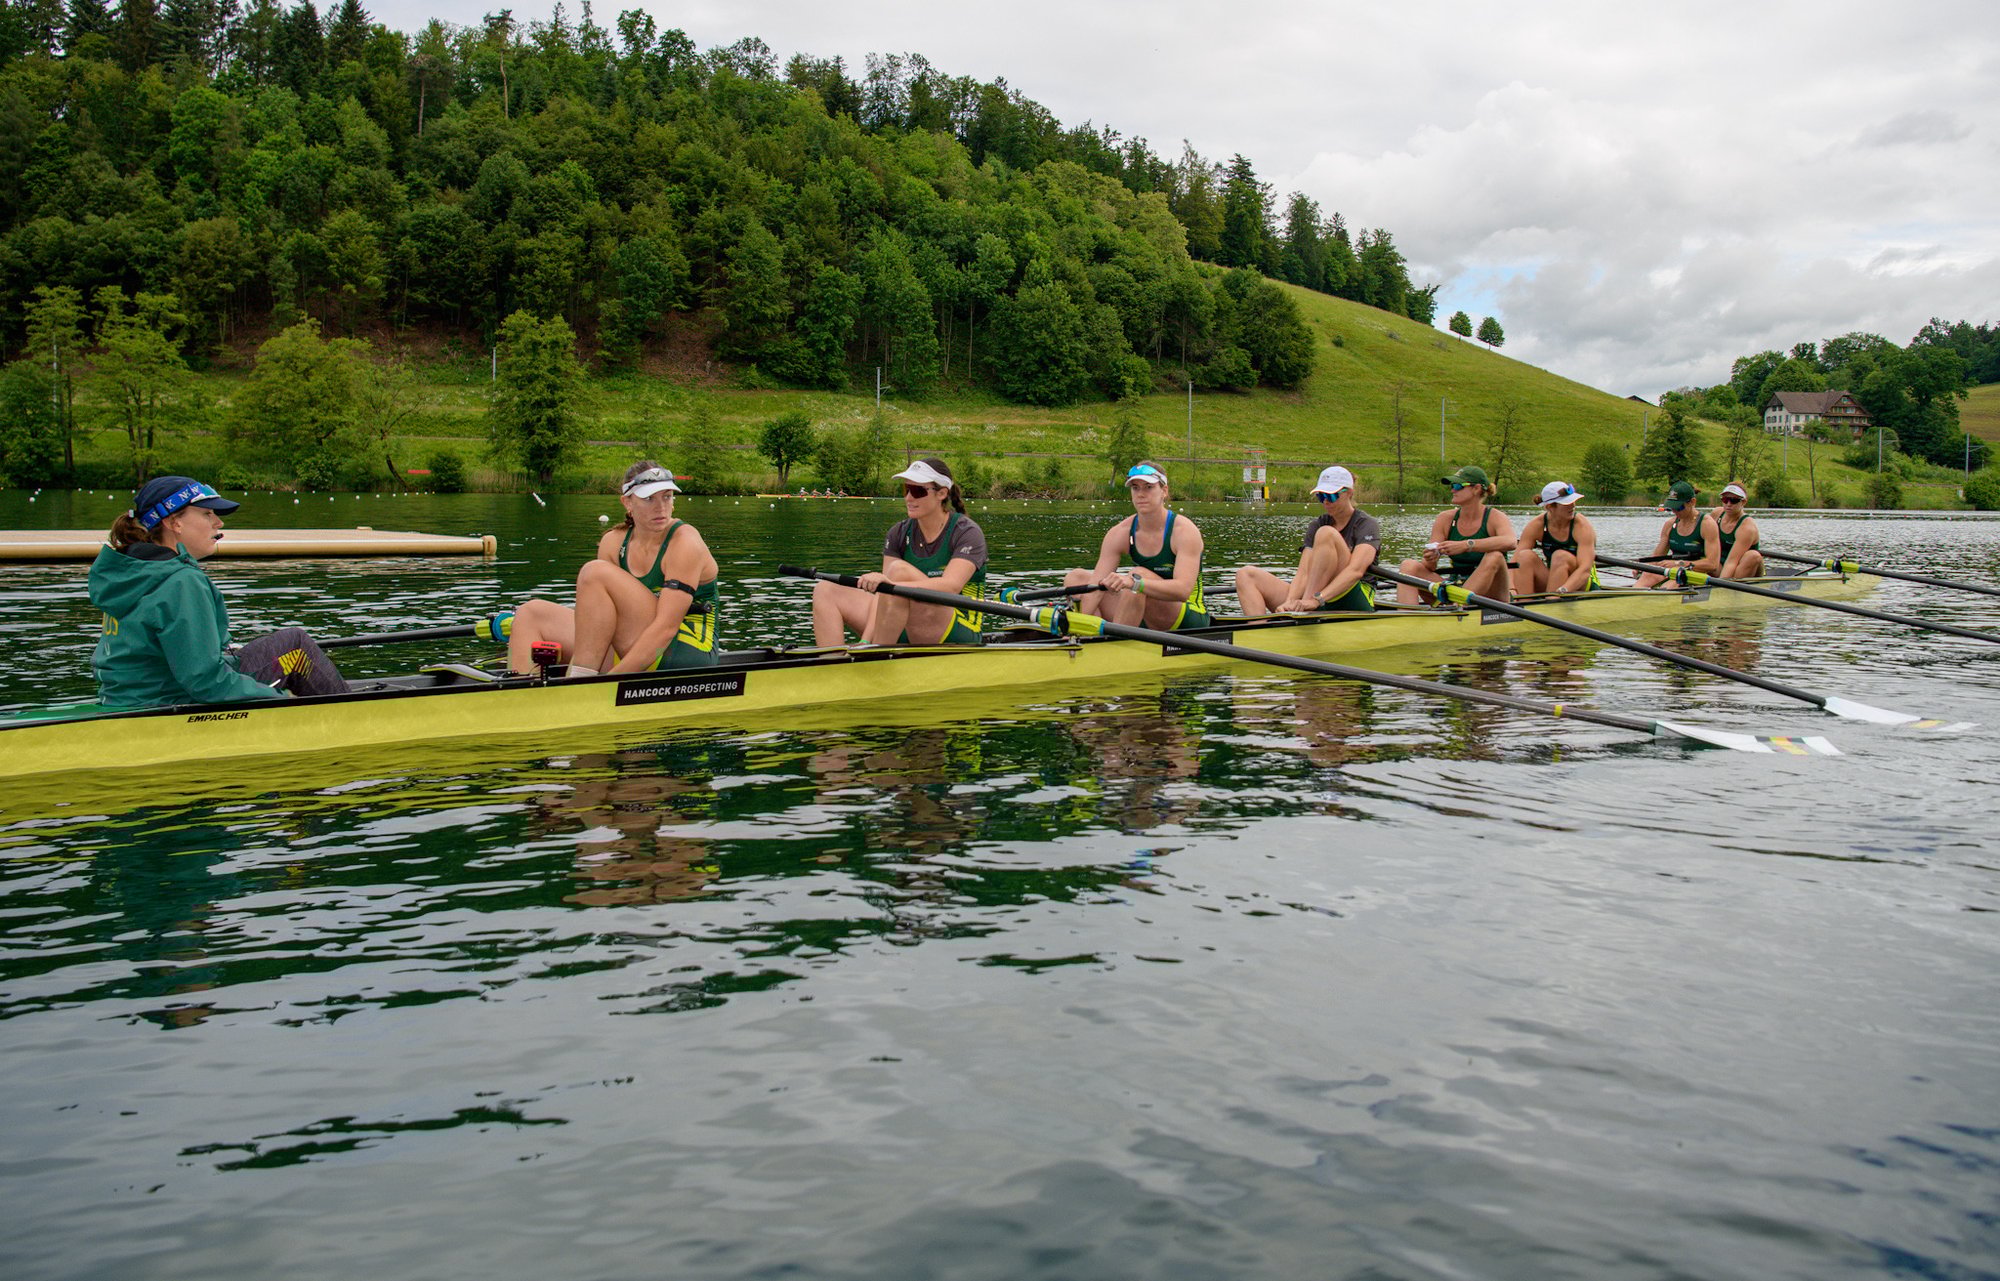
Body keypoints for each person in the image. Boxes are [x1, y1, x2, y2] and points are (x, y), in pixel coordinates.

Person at [88, 475, 351, 707]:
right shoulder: (181, 581)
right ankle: (349, 718)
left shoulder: (130, 572)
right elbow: (205, 681)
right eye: (207, 514)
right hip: (173, 700)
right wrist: (281, 699)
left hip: (126, 698)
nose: (218, 523)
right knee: (296, 645)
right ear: (174, 523)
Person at [505, 461, 719, 675]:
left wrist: (609, 682)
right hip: (632, 644)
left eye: (667, 496)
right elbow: (601, 622)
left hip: (686, 651)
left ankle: (581, 686)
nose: (661, 507)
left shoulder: (685, 542)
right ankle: (519, 693)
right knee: (530, 614)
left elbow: (665, 629)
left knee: (594, 573)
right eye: (648, 498)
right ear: (627, 502)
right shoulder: (613, 543)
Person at [811, 457, 988, 647]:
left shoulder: (967, 532)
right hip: (900, 620)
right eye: (906, 490)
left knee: (898, 572)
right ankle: (833, 662)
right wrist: (865, 639)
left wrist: (892, 584)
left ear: (942, 493)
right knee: (826, 589)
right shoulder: (898, 532)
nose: (909, 498)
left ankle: (877, 659)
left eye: (918, 491)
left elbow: (951, 586)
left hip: (957, 628)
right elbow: (884, 593)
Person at [1062, 462, 1210, 629]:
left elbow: (1183, 591)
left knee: (1137, 577)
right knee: (1076, 579)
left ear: (1164, 491)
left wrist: (1134, 583)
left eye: (1148, 487)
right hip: (1142, 607)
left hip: (1188, 617)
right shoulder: (1119, 532)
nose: (1141, 494)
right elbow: (1096, 587)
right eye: (1135, 488)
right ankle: (1085, 635)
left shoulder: (1184, 531)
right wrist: (1078, 623)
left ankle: (1117, 645)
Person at [1235, 465, 1380, 613]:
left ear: (1349, 492)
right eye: (1321, 496)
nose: (1326, 502)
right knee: (1246, 575)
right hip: (1316, 596)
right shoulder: (1317, 524)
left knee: (1326, 534)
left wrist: (1316, 600)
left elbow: (1355, 572)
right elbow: (1304, 572)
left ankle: (1307, 608)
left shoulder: (1366, 525)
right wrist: (1290, 601)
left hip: (1352, 596)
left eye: (1331, 496)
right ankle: (1260, 630)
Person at [1397, 465, 1516, 604]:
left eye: (1458, 486)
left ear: (1476, 489)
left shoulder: (1495, 517)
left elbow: (1511, 542)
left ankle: (1458, 607)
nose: (1453, 490)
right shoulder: (1445, 519)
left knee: (1494, 556)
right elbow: (1429, 568)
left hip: (1493, 594)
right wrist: (1431, 558)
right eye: (1452, 485)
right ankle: (1407, 614)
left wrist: (1467, 545)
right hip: (1456, 588)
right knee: (1408, 566)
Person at [1512, 480, 1600, 595]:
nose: (1573, 505)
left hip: (1581, 584)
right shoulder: (1537, 525)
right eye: (1566, 503)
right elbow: (1513, 564)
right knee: (1524, 556)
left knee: (1560, 556)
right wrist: (1511, 589)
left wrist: (1563, 590)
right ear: (1550, 507)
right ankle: (1524, 604)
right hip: (1554, 581)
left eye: (1573, 501)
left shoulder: (1582, 526)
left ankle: (1551, 602)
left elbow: (1584, 571)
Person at [1636, 480, 1721, 588]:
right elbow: (1656, 558)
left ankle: (1661, 596)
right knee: (1648, 574)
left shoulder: (1707, 524)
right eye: (1672, 507)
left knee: (1672, 582)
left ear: (1692, 502)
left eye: (1679, 507)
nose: (1675, 511)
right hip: (1674, 571)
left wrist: (1680, 564)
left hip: (1699, 573)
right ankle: (1629, 598)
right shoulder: (1670, 524)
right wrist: (1643, 567)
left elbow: (1712, 564)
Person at [1712, 481, 1765, 578]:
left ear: (1743, 502)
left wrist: (1719, 587)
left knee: (1753, 556)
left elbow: (1731, 562)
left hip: (1738, 567)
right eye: (1725, 499)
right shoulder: (1716, 513)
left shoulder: (1747, 528)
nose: (1728, 504)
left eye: (1734, 500)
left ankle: (1729, 589)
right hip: (1720, 564)